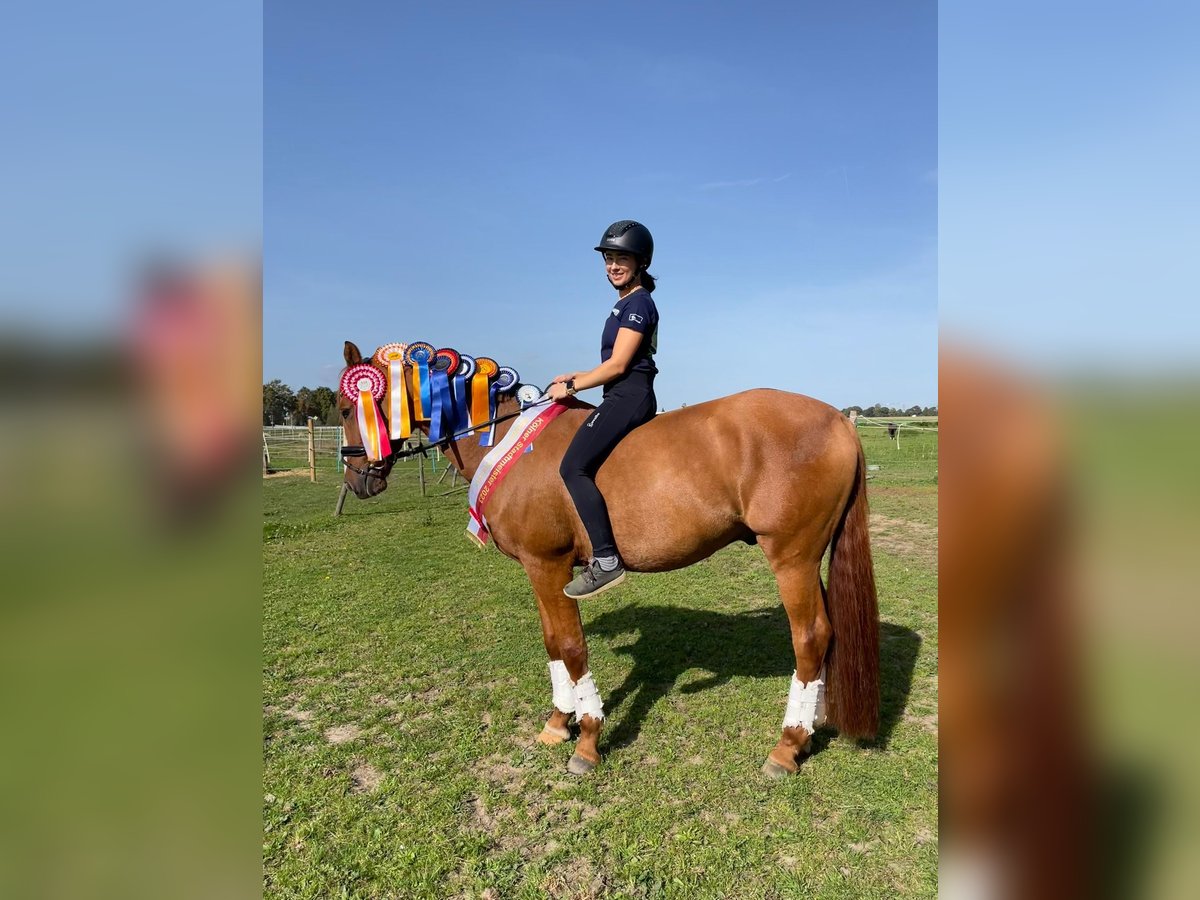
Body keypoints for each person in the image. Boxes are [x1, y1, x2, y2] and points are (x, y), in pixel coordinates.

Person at [547, 220, 660, 599]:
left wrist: (573, 387)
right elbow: (610, 363)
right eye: (609, 258)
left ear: (640, 262)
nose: (612, 265)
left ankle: (607, 560)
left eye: (621, 258)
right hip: (620, 391)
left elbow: (618, 365)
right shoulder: (623, 304)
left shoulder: (638, 303)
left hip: (629, 394)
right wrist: (574, 373)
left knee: (572, 466)